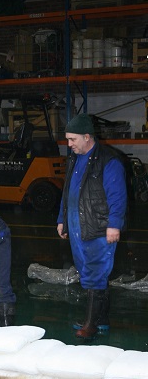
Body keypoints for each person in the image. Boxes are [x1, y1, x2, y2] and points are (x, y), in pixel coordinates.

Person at [57, 113, 127, 339]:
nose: (69, 145)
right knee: (89, 272)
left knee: (96, 273)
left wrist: (114, 224)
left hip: (98, 226)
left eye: (73, 139)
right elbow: (67, 192)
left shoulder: (109, 160)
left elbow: (117, 196)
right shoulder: (74, 159)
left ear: (87, 137)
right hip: (78, 226)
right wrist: (62, 219)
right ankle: (101, 319)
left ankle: (90, 325)